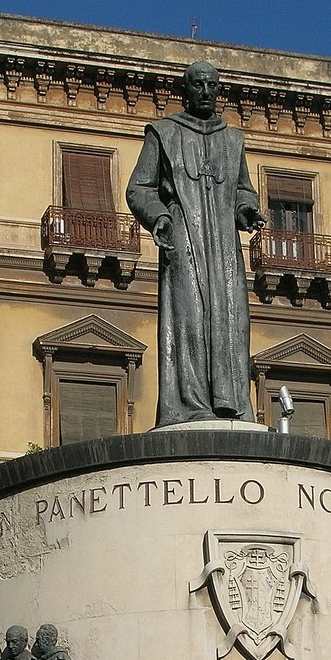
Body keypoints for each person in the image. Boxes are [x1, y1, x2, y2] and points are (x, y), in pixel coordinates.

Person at [127, 61, 266, 426]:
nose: (206, 92)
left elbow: (243, 190)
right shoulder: (163, 133)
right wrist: (158, 216)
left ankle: (230, 403)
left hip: (223, 247)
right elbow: (139, 187)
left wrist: (247, 210)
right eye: (199, 85)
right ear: (186, 91)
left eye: (212, 86)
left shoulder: (233, 140)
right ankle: (188, 405)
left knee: (230, 321)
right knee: (188, 318)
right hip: (184, 236)